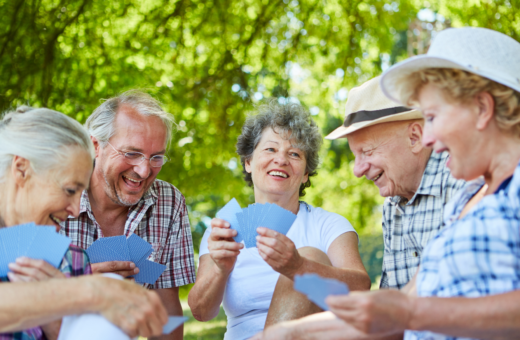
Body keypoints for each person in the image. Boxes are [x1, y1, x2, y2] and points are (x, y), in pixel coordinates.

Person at [261, 27, 520, 340]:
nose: (428, 138)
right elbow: (394, 309)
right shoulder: (469, 199)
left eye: (434, 117)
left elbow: (406, 311)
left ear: (482, 109)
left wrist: (410, 313)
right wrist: (295, 335)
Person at [252, 75, 465, 340]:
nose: (357, 170)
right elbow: (390, 309)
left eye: (367, 151)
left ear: (414, 137)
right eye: (355, 156)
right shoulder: (393, 207)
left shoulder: (462, 183)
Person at [188, 100, 371, 340]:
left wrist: (299, 267)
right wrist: (220, 268)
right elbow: (201, 312)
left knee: (310, 255)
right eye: (270, 149)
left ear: (306, 174)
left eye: (294, 153)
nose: (281, 160)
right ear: (248, 162)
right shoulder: (224, 230)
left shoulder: (328, 224)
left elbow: (361, 289)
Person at [0, 107, 168, 340]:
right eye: (69, 189)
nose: (76, 208)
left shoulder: (72, 262)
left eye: (81, 192)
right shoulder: (83, 286)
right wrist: (86, 291)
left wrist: (58, 322)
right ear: (21, 170)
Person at [59, 90, 195, 340]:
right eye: (131, 153)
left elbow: (166, 310)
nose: (144, 171)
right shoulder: (55, 192)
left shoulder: (168, 203)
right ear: (96, 146)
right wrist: (77, 284)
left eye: (156, 157)